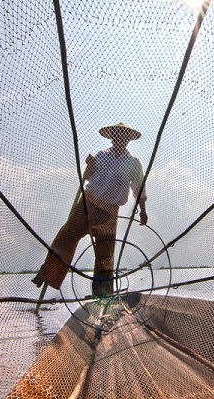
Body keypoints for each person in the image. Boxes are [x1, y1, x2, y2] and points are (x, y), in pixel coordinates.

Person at [32, 122, 148, 297]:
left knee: (105, 254)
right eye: (116, 134)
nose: (119, 138)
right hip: (88, 203)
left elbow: (138, 188)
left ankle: (103, 293)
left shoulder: (133, 162)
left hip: (109, 211)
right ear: (112, 137)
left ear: (128, 140)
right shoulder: (101, 156)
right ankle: (47, 274)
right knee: (66, 236)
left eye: (123, 135)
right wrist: (90, 166)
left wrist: (143, 210)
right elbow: (89, 176)